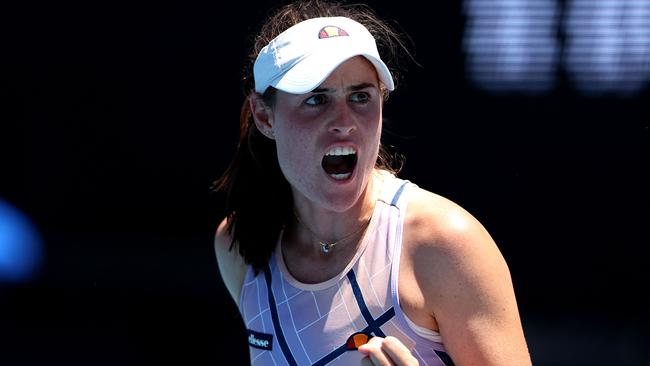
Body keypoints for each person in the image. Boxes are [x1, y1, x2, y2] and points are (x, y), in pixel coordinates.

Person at [213, 0, 532, 364]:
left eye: (361, 96)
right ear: (263, 116)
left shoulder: (445, 245)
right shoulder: (238, 244)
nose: (345, 121)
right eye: (316, 99)